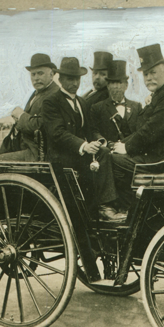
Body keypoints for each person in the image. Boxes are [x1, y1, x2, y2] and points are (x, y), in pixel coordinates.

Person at [42, 57, 125, 221]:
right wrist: (83, 146)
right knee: (102, 156)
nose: (74, 83)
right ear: (60, 79)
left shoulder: (82, 102)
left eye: (77, 78)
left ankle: (105, 206)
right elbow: (57, 133)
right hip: (61, 157)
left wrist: (99, 141)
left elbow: (91, 129)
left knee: (105, 152)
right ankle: (104, 207)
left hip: (79, 154)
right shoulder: (51, 102)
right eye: (70, 78)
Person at [112, 44, 164, 205]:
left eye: (153, 72)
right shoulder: (159, 95)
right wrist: (121, 144)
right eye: (146, 74)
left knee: (112, 160)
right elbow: (141, 127)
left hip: (158, 160)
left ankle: (126, 209)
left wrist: (126, 147)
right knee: (111, 153)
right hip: (152, 155)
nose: (149, 78)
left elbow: (150, 131)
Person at [0, 53, 59, 161]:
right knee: (0, 154)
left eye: (40, 73)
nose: (36, 78)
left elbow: (41, 124)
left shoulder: (54, 95)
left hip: (39, 153)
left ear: (51, 74)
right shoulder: (37, 93)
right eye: (33, 74)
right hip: (30, 147)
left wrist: (21, 116)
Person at [90, 60, 142, 149]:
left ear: (126, 85)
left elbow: (140, 131)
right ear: (108, 86)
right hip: (108, 153)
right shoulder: (97, 108)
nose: (116, 87)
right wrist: (104, 143)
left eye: (120, 82)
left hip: (131, 151)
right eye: (113, 83)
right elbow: (94, 131)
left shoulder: (136, 107)